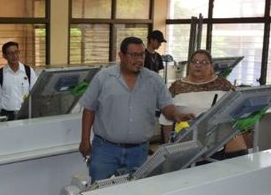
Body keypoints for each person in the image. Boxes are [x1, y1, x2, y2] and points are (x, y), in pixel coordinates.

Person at [79, 36, 193, 182]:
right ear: (121, 55)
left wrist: (177, 115)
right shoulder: (104, 78)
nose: (139, 59)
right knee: (98, 191)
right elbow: (89, 109)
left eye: (141, 55)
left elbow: (166, 105)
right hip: (105, 150)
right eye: (133, 55)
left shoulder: (154, 80)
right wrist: (84, 140)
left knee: (135, 193)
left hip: (138, 151)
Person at [161, 49, 248, 155]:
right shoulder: (177, 87)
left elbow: (235, 110)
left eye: (204, 62)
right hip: (187, 144)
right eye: (195, 62)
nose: (198, 65)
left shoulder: (223, 85)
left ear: (211, 66)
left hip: (218, 144)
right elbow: (166, 120)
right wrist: (169, 148)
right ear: (189, 65)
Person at [0, 41, 37, 121]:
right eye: (10, 53)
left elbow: (35, 93)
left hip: (26, 115)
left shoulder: (29, 71)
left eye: (16, 52)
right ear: (4, 56)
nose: (14, 56)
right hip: (7, 116)